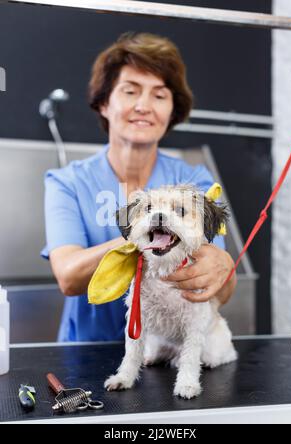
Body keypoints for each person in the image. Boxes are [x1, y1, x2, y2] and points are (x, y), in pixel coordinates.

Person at [41, 32, 237, 342]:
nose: (144, 106)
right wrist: (148, 234)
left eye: (159, 96)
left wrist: (223, 268)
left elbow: (218, 286)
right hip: (87, 351)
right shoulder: (67, 182)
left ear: (172, 111)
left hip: (165, 353)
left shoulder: (195, 181)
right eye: (131, 91)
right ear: (104, 103)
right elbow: (68, 276)